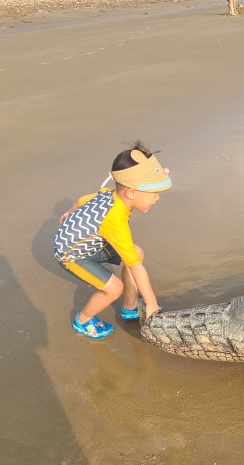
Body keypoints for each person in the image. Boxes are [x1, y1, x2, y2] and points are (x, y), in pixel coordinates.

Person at [54, 142, 172, 339]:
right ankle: (82, 320)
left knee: (137, 252)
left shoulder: (110, 194)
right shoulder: (115, 220)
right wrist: (151, 304)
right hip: (71, 253)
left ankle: (130, 305)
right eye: (154, 192)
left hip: (89, 240)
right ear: (131, 192)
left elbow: (83, 199)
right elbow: (135, 267)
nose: (157, 198)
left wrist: (69, 212)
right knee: (114, 288)